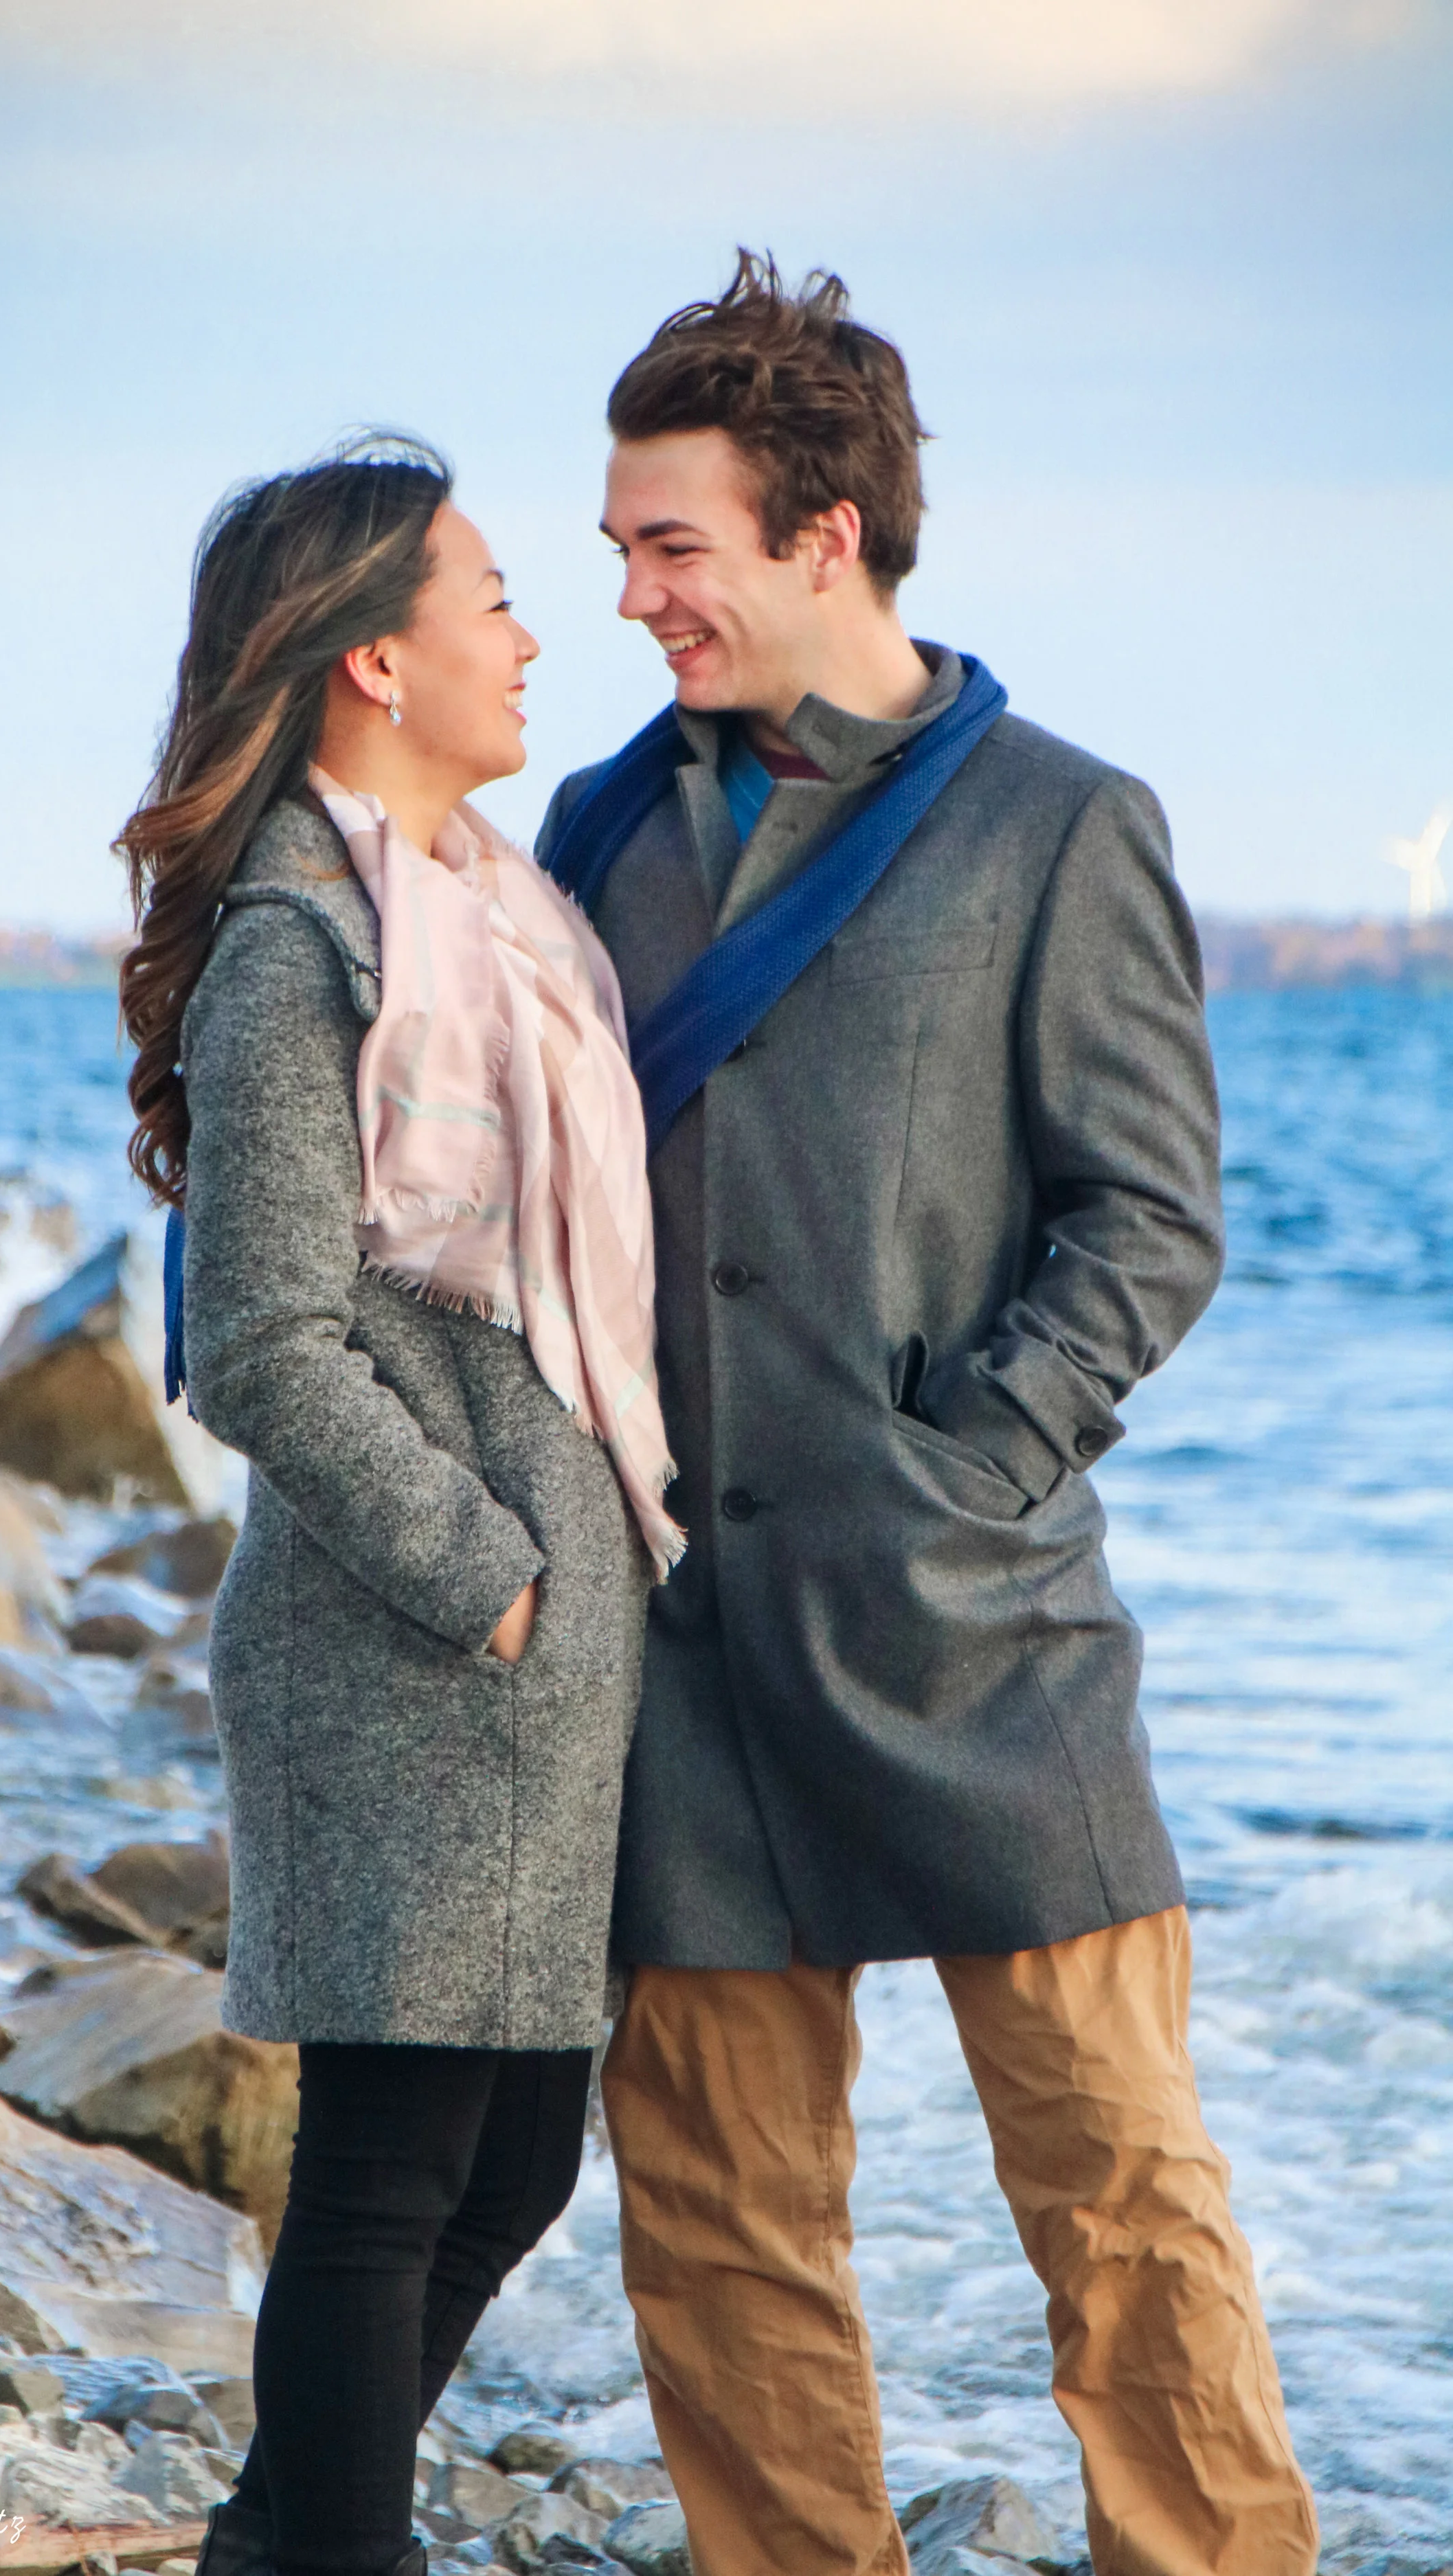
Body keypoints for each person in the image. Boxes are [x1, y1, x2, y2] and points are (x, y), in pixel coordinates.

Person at [537, 256, 1319, 2576]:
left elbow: (1149, 1220)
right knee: (716, 2209)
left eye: (666, 544)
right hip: (680, 1641)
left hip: (973, 1622)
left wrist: (961, 1457)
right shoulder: (595, 827)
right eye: (610, 550)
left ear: (825, 536)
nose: (628, 594)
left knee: (1117, 2175)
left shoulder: (1063, 824)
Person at [117, 437, 675, 2576]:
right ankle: (332, 2547)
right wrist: (491, 1582)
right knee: (387, 2164)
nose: (531, 637)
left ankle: (284, 2526)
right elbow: (258, 1339)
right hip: (406, 1638)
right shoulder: (297, 943)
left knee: (514, 2151)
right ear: (375, 655)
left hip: (523, 1658)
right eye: (495, 597)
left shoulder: (503, 922)